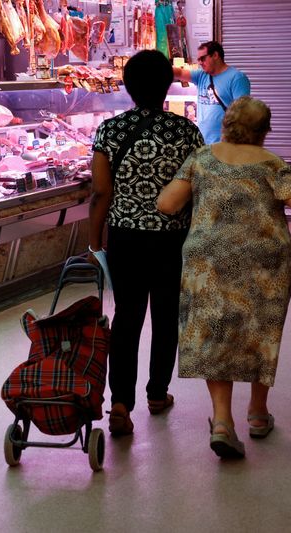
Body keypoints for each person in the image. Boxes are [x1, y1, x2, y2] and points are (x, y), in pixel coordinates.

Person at [157, 96, 291, 459]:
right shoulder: (273, 163)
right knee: (259, 331)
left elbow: (168, 204)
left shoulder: (200, 159)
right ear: (265, 130)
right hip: (265, 261)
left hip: (209, 259)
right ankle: (258, 414)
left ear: (226, 124)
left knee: (215, 332)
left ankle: (221, 421)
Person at [89, 50, 204, 437]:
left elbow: (100, 193)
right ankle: (158, 393)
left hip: (125, 238)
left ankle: (120, 402)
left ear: (128, 86)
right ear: (167, 86)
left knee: (127, 317)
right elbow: (198, 191)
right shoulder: (186, 132)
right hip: (173, 239)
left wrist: (94, 242)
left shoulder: (110, 130)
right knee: (166, 315)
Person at [173, 40, 250, 144]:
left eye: (202, 59)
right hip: (203, 143)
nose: (200, 63)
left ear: (215, 55)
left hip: (226, 145)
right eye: (198, 60)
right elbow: (180, 73)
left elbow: (243, 114)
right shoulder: (201, 75)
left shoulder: (237, 78)